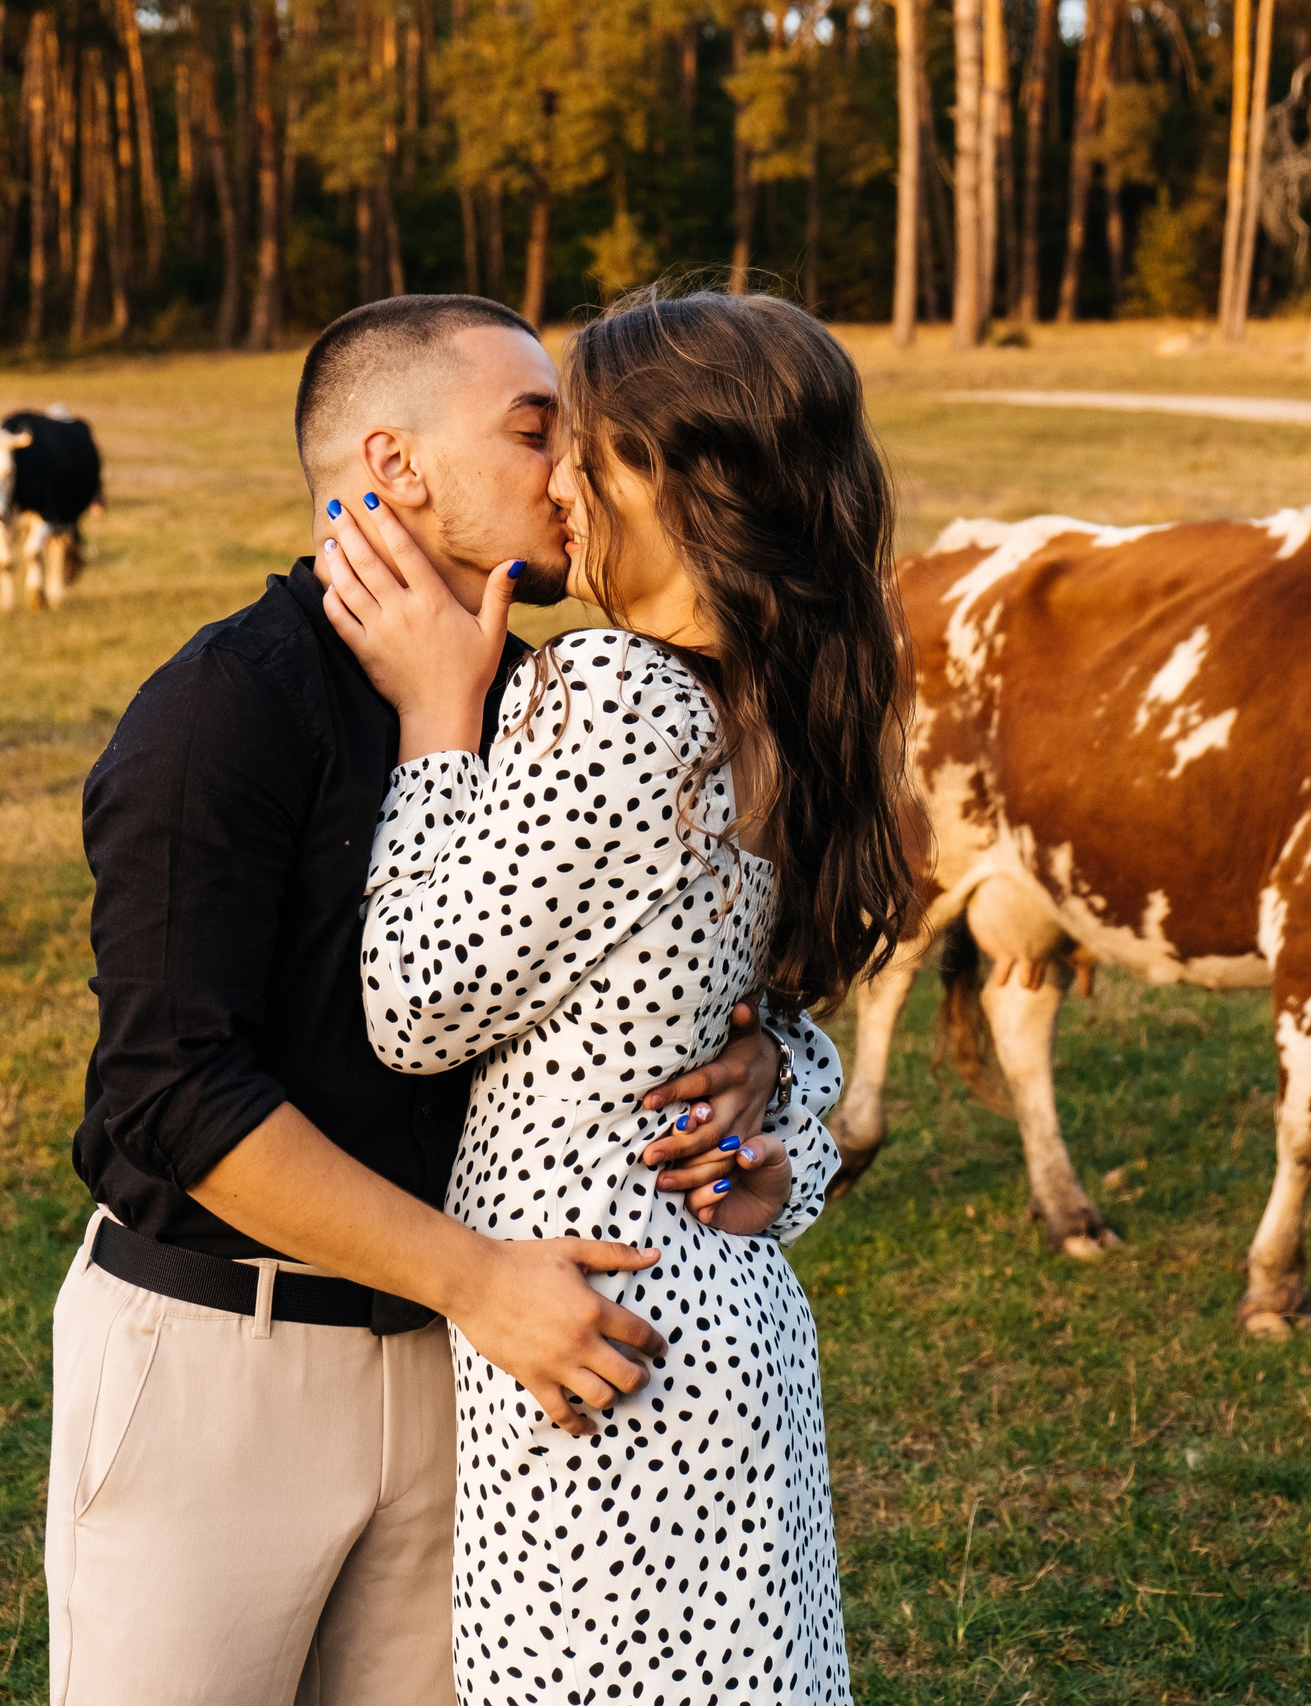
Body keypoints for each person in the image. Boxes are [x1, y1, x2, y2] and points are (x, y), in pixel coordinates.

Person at [48, 294, 819, 1706]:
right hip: (232, 1355)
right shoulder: (222, 708)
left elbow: (643, 962)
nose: (571, 462)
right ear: (394, 468)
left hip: (475, 1369)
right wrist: (477, 1282)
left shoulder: (551, 702)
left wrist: (754, 1050)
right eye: (538, 428)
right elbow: (170, 1090)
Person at [319, 285, 920, 1706]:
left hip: (597, 1339)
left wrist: (432, 724)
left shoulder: (611, 693)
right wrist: (798, 1121)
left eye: (584, 444)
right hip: (725, 1318)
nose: (558, 479)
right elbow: (758, 1017)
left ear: (676, 477)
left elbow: (412, 1002)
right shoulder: (773, 696)